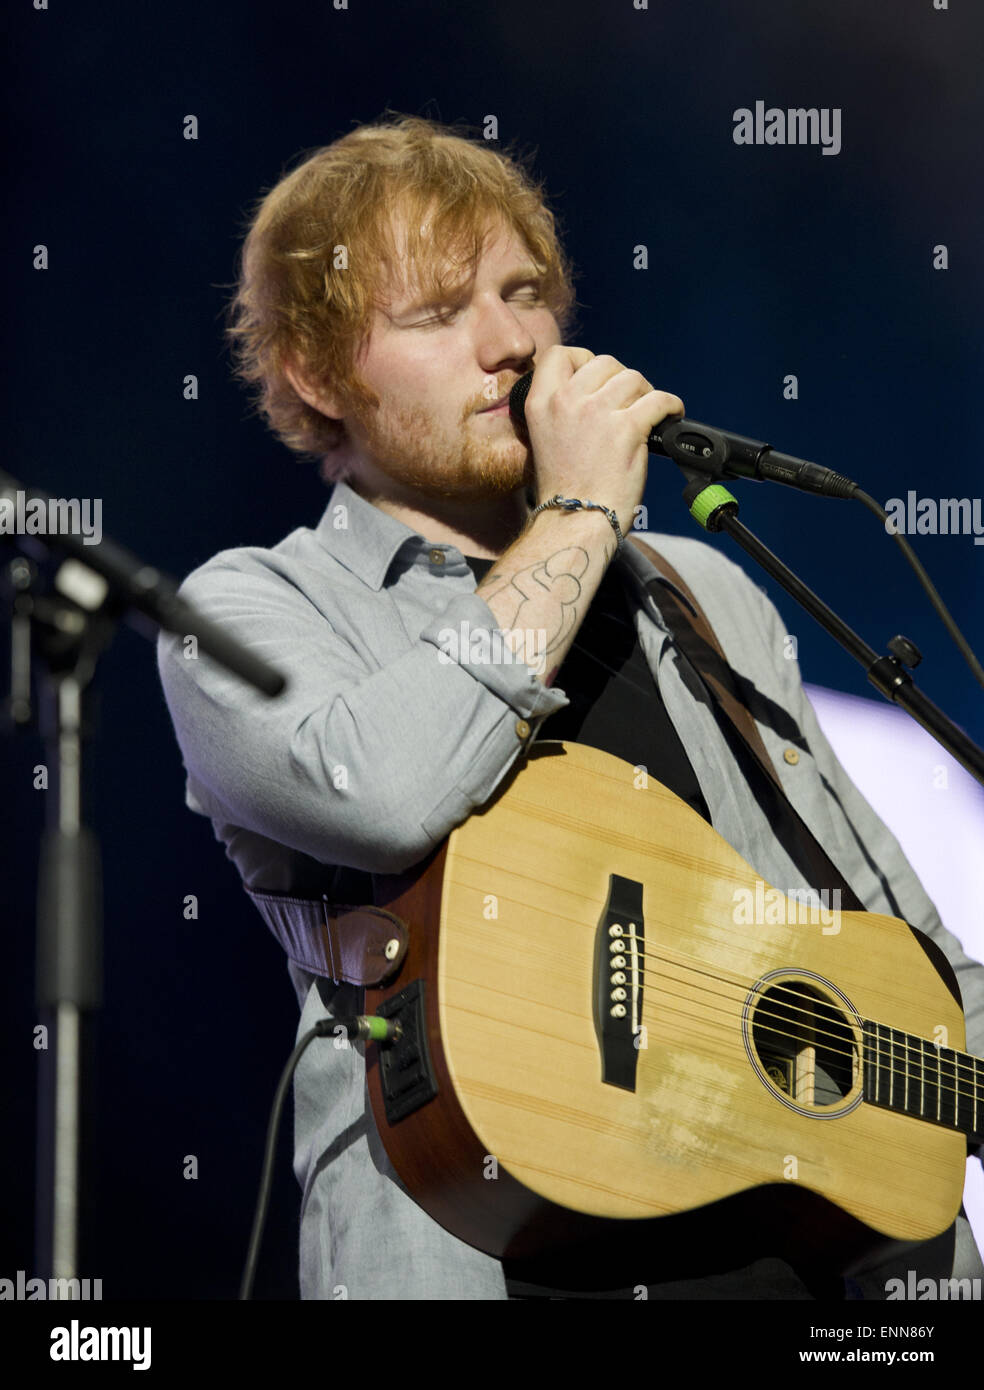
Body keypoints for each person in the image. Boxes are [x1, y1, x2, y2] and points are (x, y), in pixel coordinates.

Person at [157, 113, 984, 1300]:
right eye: (441, 315)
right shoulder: (248, 607)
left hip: (804, 1267)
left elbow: (896, 955)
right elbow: (388, 797)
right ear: (318, 371)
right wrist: (584, 510)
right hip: (479, 1245)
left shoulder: (701, 593)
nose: (514, 344)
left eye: (526, 291)